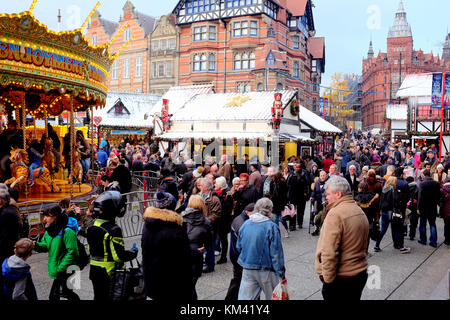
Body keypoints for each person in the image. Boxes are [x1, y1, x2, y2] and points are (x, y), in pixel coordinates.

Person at [315, 176, 369, 301]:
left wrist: (327, 280)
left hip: (341, 279)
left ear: (338, 194)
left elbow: (329, 252)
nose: (326, 197)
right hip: (359, 274)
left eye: (328, 194)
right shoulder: (359, 210)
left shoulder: (335, 214)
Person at [142, 191, 193, 301]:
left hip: (151, 280)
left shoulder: (147, 225)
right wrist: (196, 253)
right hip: (171, 284)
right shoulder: (176, 230)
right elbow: (185, 258)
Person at [237, 198, 286, 300]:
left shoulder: (246, 224)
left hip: (247, 267)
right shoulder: (271, 227)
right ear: (270, 209)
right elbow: (276, 254)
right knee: (274, 297)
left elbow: (239, 246)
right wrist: (281, 274)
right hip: (266, 269)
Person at [33, 205, 80, 300]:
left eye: (47, 216)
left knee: (59, 295)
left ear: (55, 217)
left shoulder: (67, 232)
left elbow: (73, 252)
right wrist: (35, 245)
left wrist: (60, 268)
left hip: (67, 270)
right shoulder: (49, 230)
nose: (44, 219)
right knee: (65, 294)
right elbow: (45, 245)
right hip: (59, 270)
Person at [181, 195, 213, 300]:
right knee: (191, 285)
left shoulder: (181, 218)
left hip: (183, 254)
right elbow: (209, 240)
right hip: (196, 254)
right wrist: (205, 248)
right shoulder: (206, 222)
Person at [225, 203, 254, 301]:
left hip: (235, 255)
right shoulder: (243, 223)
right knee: (239, 280)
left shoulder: (239, 219)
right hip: (239, 257)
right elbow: (244, 245)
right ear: (247, 212)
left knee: (238, 279)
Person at [198, 178, 222, 273]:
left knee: (209, 246)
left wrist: (205, 221)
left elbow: (216, 214)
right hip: (199, 225)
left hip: (209, 227)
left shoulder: (215, 199)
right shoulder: (199, 196)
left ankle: (210, 265)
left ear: (207, 187)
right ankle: (202, 263)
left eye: (201, 185)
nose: (200, 187)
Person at [417, 170, 440, 248]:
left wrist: (418, 207)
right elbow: (438, 196)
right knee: (432, 224)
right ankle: (433, 241)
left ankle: (423, 240)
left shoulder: (422, 184)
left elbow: (420, 197)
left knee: (423, 224)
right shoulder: (436, 183)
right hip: (432, 207)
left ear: (423, 175)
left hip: (423, 207)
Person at [355, 181, 379, 253]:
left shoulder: (356, 198)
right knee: (367, 236)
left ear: (361, 188)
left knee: (359, 237)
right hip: (369, 219)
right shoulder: (373, 196)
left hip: (359, 220)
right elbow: (375, 209)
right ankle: (365, 251)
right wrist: (376, 220)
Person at [215, 177, 233, 265]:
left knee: (223, 239)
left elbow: (227, 209)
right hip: (218, 220)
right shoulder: (218, 192)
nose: (215, 185)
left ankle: (223, 256)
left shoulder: (227, 194)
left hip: (223, 221)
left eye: (216, 184)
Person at [440, 177, 450, 245]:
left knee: (446, 225)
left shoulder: (442, 190)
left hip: (445, 210)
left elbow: (439, 201)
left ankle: (447, 240)